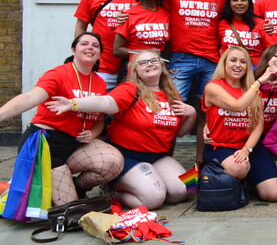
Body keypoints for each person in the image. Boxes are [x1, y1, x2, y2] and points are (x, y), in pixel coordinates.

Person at [45, 50, 195, 208]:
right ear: (135, 70)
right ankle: (110, 191)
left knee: (187, 188)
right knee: (154, 199)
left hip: (159, 156)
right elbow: (106, 103)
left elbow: (179, 133)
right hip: (128, 156)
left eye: (154, 60)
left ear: (161, 65)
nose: (149, 64)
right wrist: (73, 104)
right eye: (143, 62)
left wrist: (191, 115)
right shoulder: (130, 89)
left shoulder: (173, 95)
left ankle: (149, 183)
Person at [0, 33, 123, 206]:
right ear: (74, 50)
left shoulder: (99, 83)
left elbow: (100, 120)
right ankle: (25, 183)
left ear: (100, 54)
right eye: (84, 44)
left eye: (95, 46)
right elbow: (30, 97)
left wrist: (93, 133)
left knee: (113, 162)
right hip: (48, 143)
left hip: (75, 143)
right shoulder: (58, 73)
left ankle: (77, 186)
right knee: (68, 206)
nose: (90, 47)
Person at [202, 46, 277, 202]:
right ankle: (214, 175)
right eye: (233, 60)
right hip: (221, 147)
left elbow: (258, 125)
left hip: (249, 147)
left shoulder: (252, 90)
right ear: (224, 63)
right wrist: (259, 82)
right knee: (239, 167)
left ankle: (247, 181)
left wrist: (247, 149)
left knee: (275, 193)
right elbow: (237, 106)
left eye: (243, 62)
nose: (238, 65)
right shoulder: (213, 86)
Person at [166, 0, 226, 104]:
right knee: (175, 105)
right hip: (181, 57)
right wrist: (127, 14)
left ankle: (203, 130)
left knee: (208, 108)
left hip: (211, 59)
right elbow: (154, 8)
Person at [73, 0, 135, 90]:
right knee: (98, 108)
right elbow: (80, 27)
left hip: (130, 66)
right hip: (101, 65)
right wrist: (81, 54)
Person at [114, 0, 172, 66]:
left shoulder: (167, 14)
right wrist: (145, 53)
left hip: (158, 67)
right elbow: (117, 50)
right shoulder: (128, 15)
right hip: (135, 68)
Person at [219, 0, 269, 66]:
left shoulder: (260, 23)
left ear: (249, 2)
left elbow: (270, 51)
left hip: (254, 72)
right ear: (229, 3)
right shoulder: (222, 23)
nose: (239, 3)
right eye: (235, 0)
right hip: (228, 71)